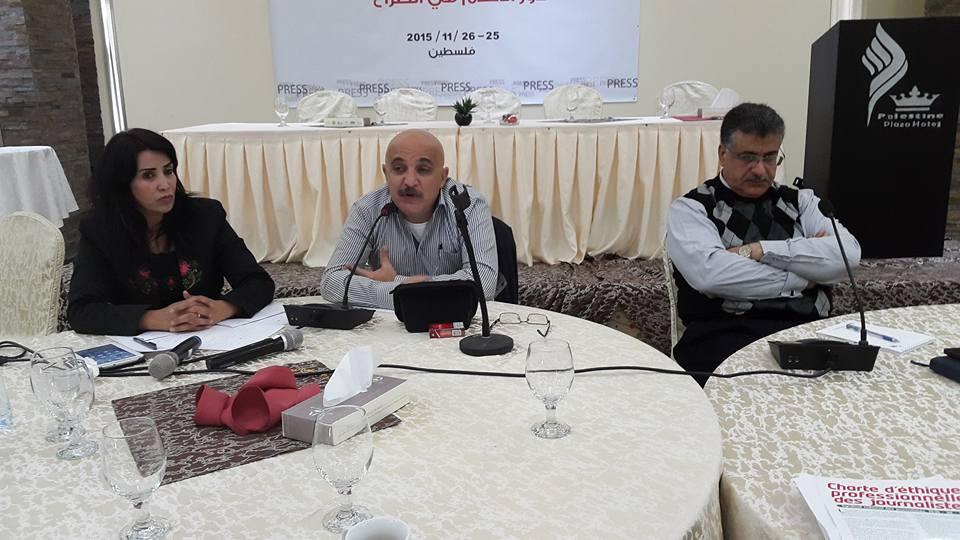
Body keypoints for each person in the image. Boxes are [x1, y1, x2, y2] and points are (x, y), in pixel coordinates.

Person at [665, 103, 861, 385]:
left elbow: (848, 256)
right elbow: (712, 276)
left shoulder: (801, 202)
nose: (760, 170)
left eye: (770, 157)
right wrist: (805, 277)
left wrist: (760, 251)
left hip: (808, 334)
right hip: (724, 335)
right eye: (748, 157)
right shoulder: (694, 209)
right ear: (722, 154)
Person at [68, 128, 275, 335]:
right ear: (122, 184)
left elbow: (258, 282)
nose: (165, 185)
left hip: (211, 337)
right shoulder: (99, 230)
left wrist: (221, 308)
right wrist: (152, 318)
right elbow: (82, 311)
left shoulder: (205, 216)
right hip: (142, 347)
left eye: (168, 171)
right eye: (148, 176)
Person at [320, 129, 498, 309]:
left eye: (423, 170)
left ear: (442, 177)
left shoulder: (467, 205)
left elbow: (484, 283)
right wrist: (404, 293)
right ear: (386, 173)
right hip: (390, 323)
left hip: (454, 320)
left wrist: (396, 282)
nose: (410, 182)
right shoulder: (368, 209)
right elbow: (332, 282)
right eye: (399, 169)